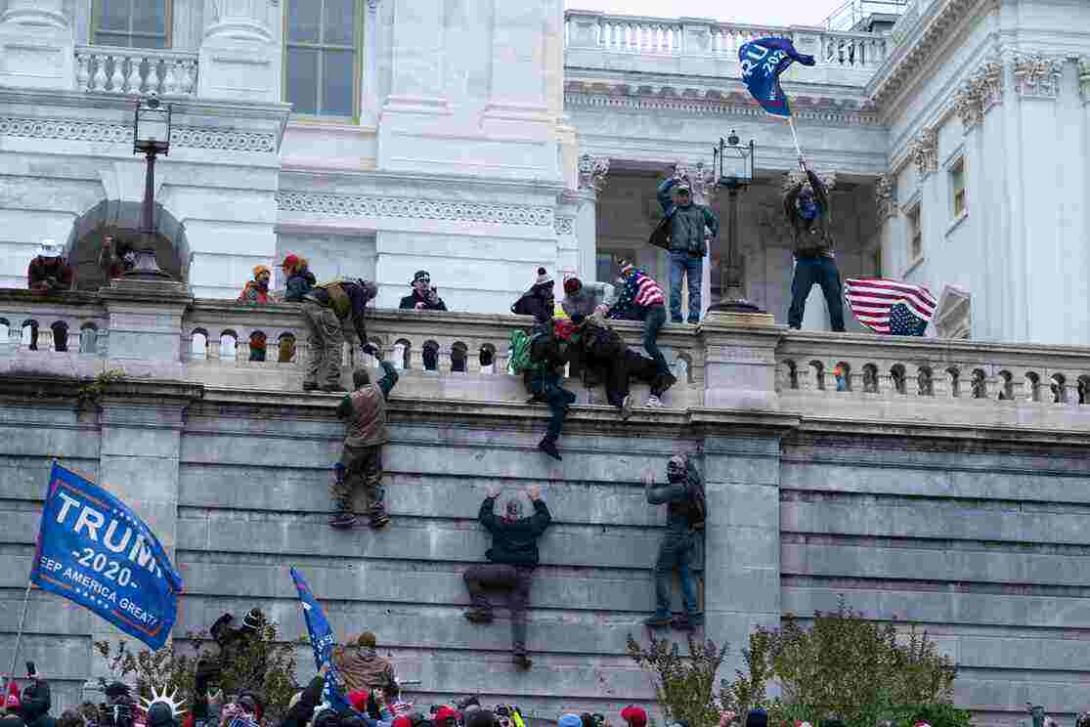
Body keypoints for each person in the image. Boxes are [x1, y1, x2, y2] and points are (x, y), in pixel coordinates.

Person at [463, 486, 552, 670]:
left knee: (470, 575)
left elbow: (484, 516)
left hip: (504, 571)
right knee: (518, 614)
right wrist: (536, 499)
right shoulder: (531, 525)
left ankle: (484, 609)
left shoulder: (500, 523)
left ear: (507, 512)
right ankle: (519, 654)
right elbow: (545, 518)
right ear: (520, 513)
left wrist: (490, 497)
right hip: (524, 576)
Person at [332, 361, 399, 528]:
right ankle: (377, 514)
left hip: (355, 446)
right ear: (368, 379)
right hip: (376, 443)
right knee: (373, 479)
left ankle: (345, 513)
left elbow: (339, 413)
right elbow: (393, 375)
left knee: (345, 477)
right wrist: (382, 359)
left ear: (355, 383)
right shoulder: (379, 389)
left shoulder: (351, 398)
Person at [643, 455, 704, 630]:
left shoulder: (677, 488)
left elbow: (653, 498)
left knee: (662, 570)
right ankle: (692, 613)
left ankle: (663, 612)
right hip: (689, 535)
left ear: (679, 471)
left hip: (674, 536)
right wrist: (684, 459)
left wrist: (648, 483)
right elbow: (689, 467)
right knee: (686, 572)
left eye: (673, 468)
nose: (670, 471)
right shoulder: (693, 482)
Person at [784, 161, 844, 332]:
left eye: (809, 198)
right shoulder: (795, 216)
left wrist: (809, 172)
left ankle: (838, 329)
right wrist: (799, 183)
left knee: (834, 297)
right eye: (803, 199)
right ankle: (794, 325)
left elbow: (821, 191)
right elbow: (787, 200)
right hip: (805, 261)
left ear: (813, 199)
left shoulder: (822, 210)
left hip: (825, 259)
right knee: (798, 296)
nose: (806, 202)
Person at [571, 314, 676, 411]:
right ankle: (654, 397)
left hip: (611, 366)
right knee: (658, 369)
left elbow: (584, 361)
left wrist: (588, 378)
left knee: (616, 391)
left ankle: (622, 402)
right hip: (626, 357)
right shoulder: (603, 329)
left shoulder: (580, 337)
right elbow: (619, 343)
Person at [657, 176, 719, 324]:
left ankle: (693, 318)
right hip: (677, 255)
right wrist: (673, 180)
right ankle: (676, 318)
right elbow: (660, 192)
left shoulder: (701, 210)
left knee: (695, 289)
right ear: (677, 196)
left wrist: (711, 233)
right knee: (675, 288)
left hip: (695, 256)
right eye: (681, 194)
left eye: (686, 194)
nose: (684, 198)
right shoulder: (672, 209)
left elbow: (714, 222)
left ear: (690, 195)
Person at [302, 278, 378, 392]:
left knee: (317, 345)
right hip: (322, 308)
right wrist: (364, 342)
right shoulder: (359, 291)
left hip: (307, 305)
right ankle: (331, 382)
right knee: (335, 344)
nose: (365, 301)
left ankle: (310, 380)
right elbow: (358, 318)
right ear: (367, 292)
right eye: (368, 299)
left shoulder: (344, 284)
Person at [522, 319, 576, 461]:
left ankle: (540, 398)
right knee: (561, 403)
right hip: (537, 383)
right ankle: (548, 441)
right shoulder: (546, 342)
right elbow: (560, 361)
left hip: (542, 382)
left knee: (570, 397)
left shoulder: (546, 338)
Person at [608, 262, 670, 379]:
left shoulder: (634, 277)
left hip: (654, 311)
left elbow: (624, 300)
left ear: (626, 273)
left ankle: (665, 372)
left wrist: (610, 313)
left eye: (624, 278)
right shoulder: (643, 278)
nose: (624, 282)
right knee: (627, 314)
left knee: (648, 343)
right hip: (654, 310)